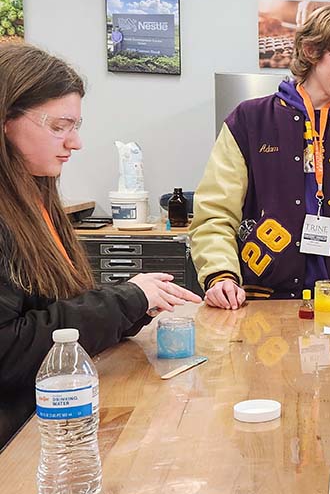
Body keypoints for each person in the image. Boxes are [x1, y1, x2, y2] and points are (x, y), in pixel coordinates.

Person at [0, 43, 200, 447]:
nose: (75, 143)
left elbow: (50, 308)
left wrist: (134, 303)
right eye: (59, 127)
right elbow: (9, 349)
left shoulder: (35, 198)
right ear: (6, 120)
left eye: (75, 126)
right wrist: (123, 301)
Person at [191, 5, 330, 308]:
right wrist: (220, 274)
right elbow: (215, 213)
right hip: (259, 306)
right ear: (311, 50)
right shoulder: (249, 123)